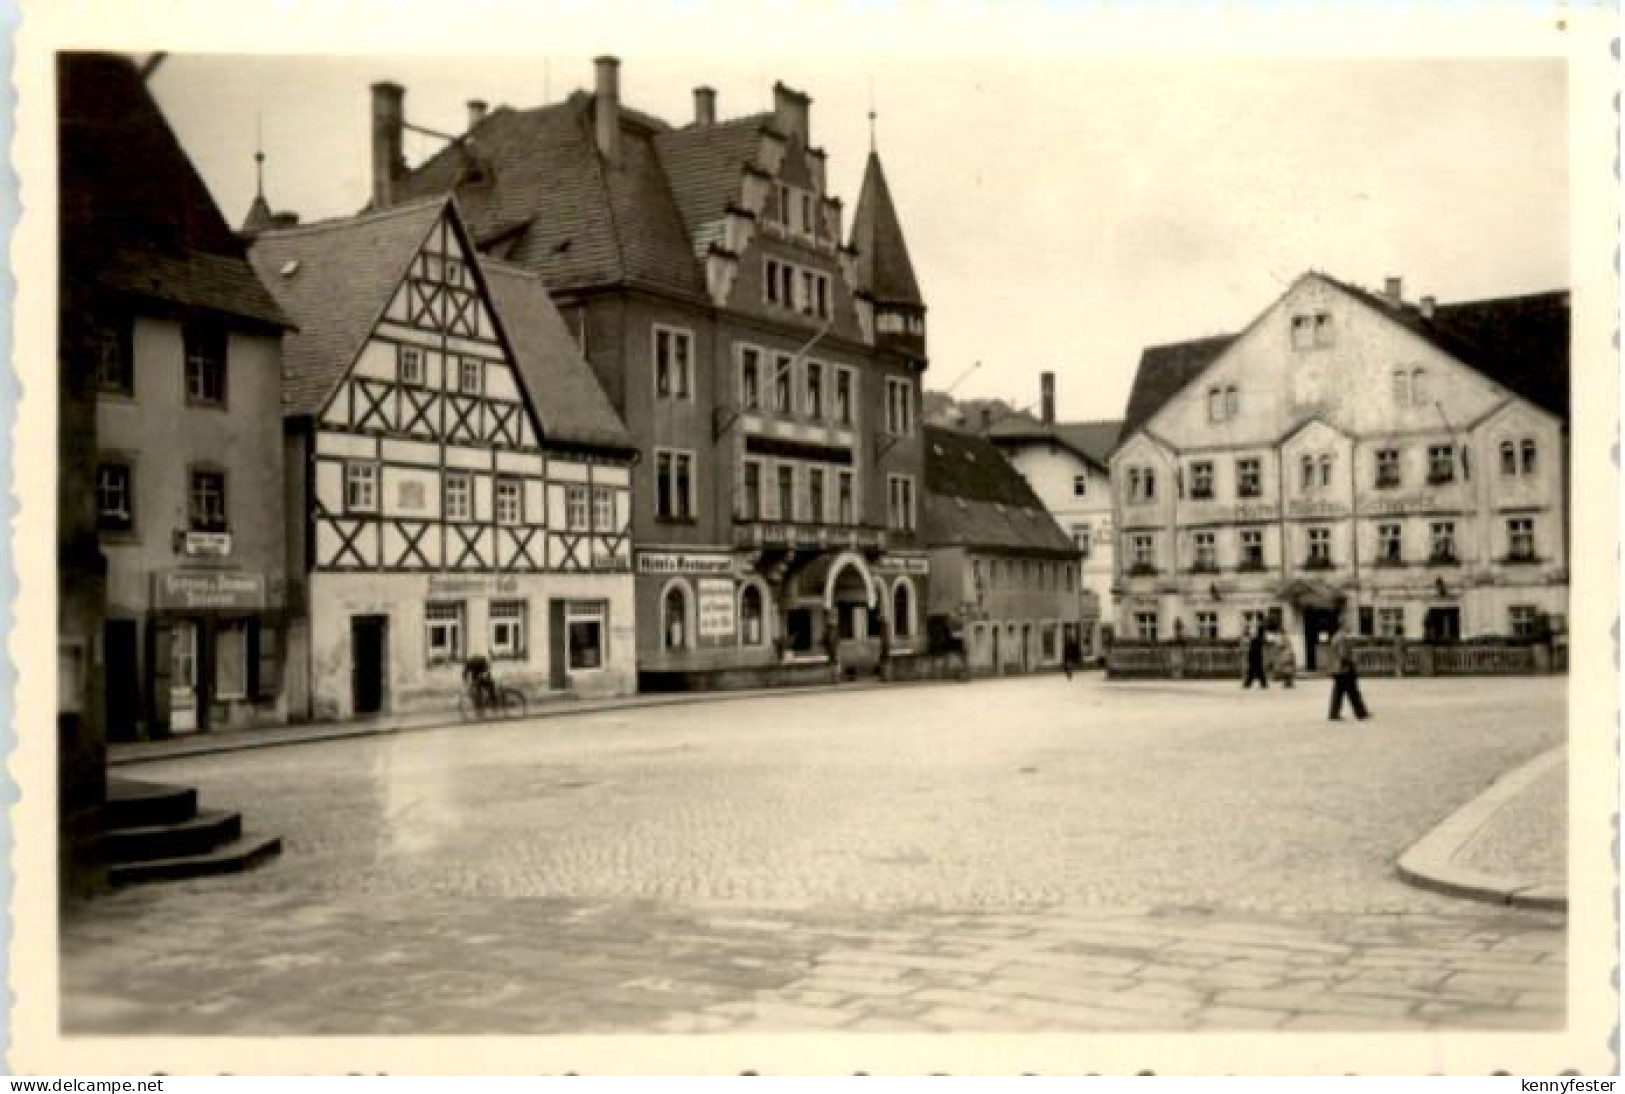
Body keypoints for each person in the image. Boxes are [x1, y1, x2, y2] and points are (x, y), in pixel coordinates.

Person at [1327, 620, 1370, 722]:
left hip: (1337, 669)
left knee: (1338, 692)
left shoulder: (1336, 636)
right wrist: (1352, 661)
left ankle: (1333, 714)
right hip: (1344, 669)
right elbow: (1343, 654)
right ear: (1343, 626)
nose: (1350, 627)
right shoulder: (1342, 638)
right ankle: (1361, 713)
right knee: (1353, 692)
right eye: (1348, 625)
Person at [1242, 624, 1269, 689]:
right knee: (1257, 670)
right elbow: (1265, 644)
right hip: (1256, 657)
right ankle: (1262, 684)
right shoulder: (1260, 639)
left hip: (1253, 656)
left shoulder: (1256, 639)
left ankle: (1249, 684)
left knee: (1254, 670)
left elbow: (1251, 648)